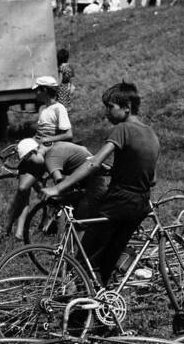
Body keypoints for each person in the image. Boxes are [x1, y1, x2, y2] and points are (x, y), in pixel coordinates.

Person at [41, 82, 159, 285]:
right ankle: (104, 303)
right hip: (140, 204)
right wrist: (115, 170)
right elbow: (152, 178)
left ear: (126, 107)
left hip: (118, 202)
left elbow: (94, 162)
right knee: (108, 258)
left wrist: (59, 187)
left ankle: (79, 309)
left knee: (84, 259)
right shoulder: (151, 133)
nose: (106, 112)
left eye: (110, 106)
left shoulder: (122, 129)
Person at [32, 75, 73, 146]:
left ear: (44, 90)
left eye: (37, 90)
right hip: (40, 143)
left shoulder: (59, 108)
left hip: (50, 146)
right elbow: (41, 132)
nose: (35, 93)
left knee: (37, 156)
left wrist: (47, 139)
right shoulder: (42, 108)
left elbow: (69, 135)